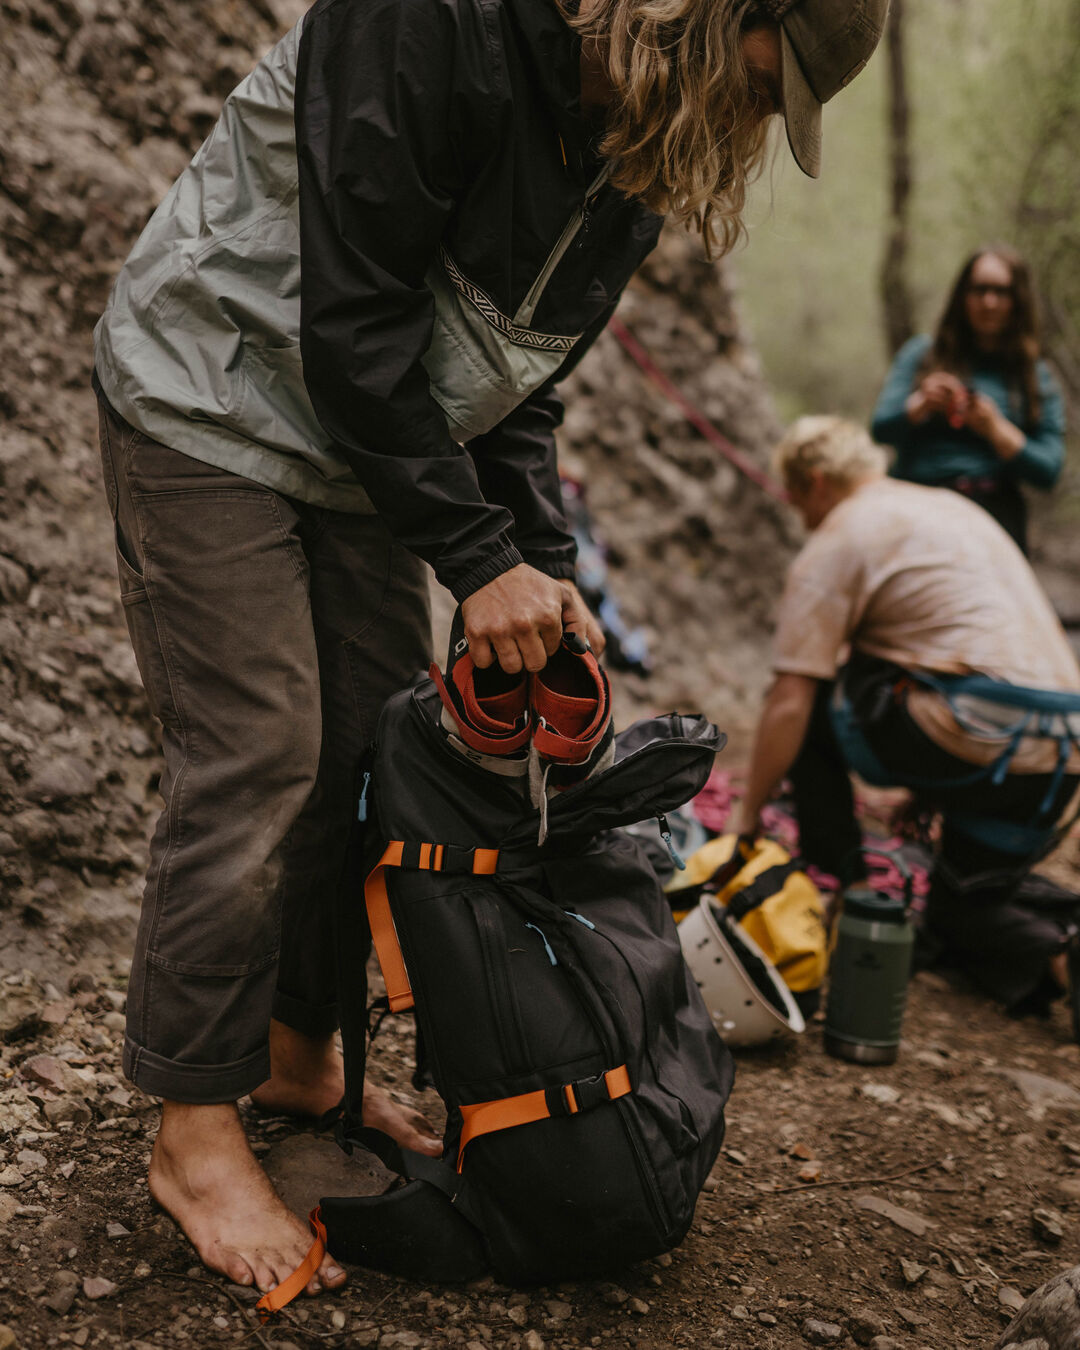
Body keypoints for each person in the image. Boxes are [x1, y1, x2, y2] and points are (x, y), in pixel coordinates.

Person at [92, 0, 887, 1300]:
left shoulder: (631, 143)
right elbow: (355, 322)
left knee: (366, 754)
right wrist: (475, 559)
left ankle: (296, 1056)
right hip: (207, 386)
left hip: (351, 446)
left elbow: (513, 382)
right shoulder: (435, 24)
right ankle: (191, 1129)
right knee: (263, 750)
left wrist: (543, 570)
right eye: (769, 79)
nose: (754, 116)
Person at [733, 416, 1080, 1027]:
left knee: (815, 693)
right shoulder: (954, 509)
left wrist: (746, 817)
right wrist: (931, 784)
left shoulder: (840, 534)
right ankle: (1064, 962)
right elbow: (966, 643)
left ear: (816, 481)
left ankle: (852, 888)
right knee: (961, 913)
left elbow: (790, 699)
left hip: (971, 736)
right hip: (1057, 754)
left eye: (796, 499)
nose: (798, 514)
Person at [870, 246, 1066, 553]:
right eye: (980, 290)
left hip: (995, 516)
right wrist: (920, 405)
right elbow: (880, 429)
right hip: (917, 507)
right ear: (963, 295)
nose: (989, 302)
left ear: (1017, 300)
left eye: (1001, 291)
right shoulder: (921, 354)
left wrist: (995, 428)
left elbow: (1048, 471)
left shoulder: (1034, 374)